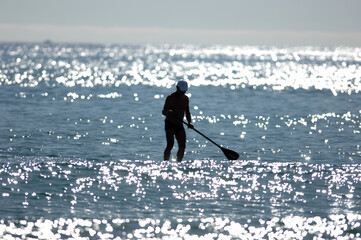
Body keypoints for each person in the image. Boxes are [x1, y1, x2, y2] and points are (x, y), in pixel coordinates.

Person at [162, 80, 193, 161]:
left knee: (182, 146)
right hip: (170, 124)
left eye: (184, 91)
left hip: (179, 125)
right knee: (170, 145)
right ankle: (165, 163)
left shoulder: (186, 99)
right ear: (177, 88)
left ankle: (178, 163)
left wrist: (190, 122)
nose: (182, 93)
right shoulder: (170, 98)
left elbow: (188, 112)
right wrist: (169, 112)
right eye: (181, 91)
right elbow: (164, 112)